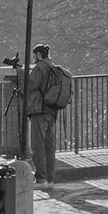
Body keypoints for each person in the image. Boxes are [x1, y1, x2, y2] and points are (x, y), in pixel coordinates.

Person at [28, 46, 72, 187]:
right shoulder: (54, 67)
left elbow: (30, 85)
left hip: (39, 110)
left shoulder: (40, 67)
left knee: (38, 145)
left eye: (34, 56)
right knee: (49, 146)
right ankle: (50, 179)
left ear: (39, 55)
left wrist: (21, 74)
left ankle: (41, 179)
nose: (33, 59)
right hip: (52, 111)